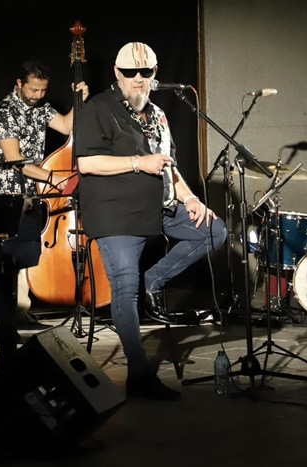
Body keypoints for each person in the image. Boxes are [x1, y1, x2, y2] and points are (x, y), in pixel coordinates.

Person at [74, 42, 227, 400]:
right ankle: (139, 375)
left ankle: (154, 278)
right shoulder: (98, 108)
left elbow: (169, 165)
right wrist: (137, 163)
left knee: (214, 231)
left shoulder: (158, 114)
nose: (138, 79)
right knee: (125, 289)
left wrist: (190, 198)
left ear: (155, 74)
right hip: (117, 213)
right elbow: (86, 164)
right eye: (131, 73)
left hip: (160, 204)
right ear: (117, 73)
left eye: (146, 73)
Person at [0, 60, 90, 327]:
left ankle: (19, 314)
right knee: (8, 256)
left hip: (32, 194)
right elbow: (15, 161)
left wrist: (79, 99)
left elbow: (67, 126)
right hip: (7, 195)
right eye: (33, 90)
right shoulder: (4, 112)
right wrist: (54, 178)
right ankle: (1, 316)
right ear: (19, 84)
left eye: (43, 90)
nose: (39, 96)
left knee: (25, 256)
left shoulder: (41, 108)